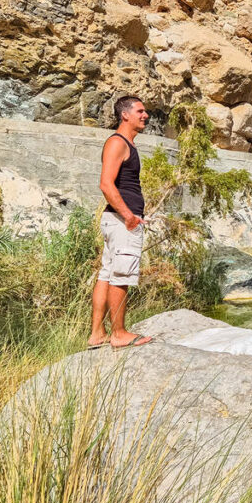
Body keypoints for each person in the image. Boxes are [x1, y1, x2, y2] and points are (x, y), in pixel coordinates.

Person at [87, 95, 154, 349]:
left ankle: (97, 334)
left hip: (115, 220)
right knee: (121, 275)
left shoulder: (126, 144)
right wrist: (129, 216)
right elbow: (106, 184)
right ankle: (119, 333)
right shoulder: (117, 142)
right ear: (124, 114)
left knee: (107, 274)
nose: (145, 115)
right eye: (140, 111)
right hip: (121, 220)